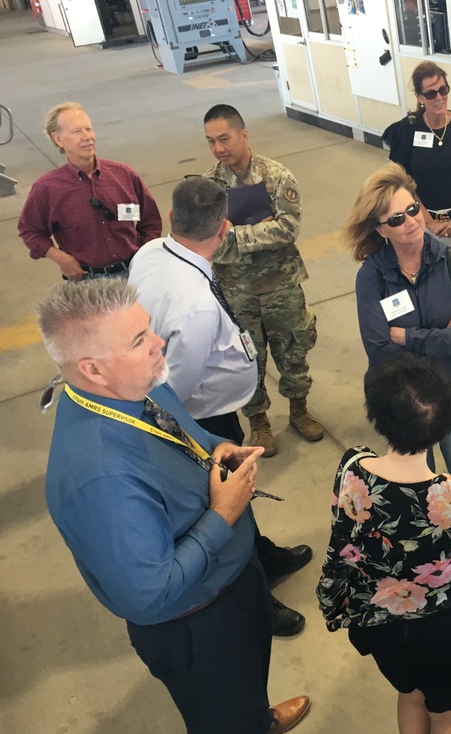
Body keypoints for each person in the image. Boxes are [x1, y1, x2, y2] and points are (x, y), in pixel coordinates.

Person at [38, 279, 311, 734]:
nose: (159, 343)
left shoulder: (137, 386)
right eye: (140, 339)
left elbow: (182, 432)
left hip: (232, 580)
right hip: (198, 623)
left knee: (245, 688)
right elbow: (148, 594)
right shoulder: (100, 479)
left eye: (149, 329)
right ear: (92, 369)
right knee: (219, 725)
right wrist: (224, 515)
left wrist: (214, 447)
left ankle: (255, 721)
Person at [128, 176, 314, 637]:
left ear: (172, 218)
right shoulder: (195, 305)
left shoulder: (150, 253)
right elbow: (182, 382)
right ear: (224, 228)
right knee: (225, 502)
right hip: (200, 419)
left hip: (202, 409)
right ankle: (255, 594)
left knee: (240, 497)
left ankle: (262, 552)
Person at [317, 354, 451, 734]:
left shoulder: (352, 469)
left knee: (411, 695)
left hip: (384, 622)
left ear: (377, 417)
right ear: (445, 424)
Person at [344, 163, 451, 487]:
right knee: (415, 483)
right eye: (396, 219)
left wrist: (408, 337)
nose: (410, 221)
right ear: (381, 230)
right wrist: (445, 334)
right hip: (401, 398)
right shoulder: (371, 277)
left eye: (412, 209)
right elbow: (380, 350)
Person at [203, 103, 322, 456]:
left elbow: (287, 229)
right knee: (246, 359)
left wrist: (235, 235)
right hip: (235, 292)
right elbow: (208, 240)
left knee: (293, 350)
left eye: (224, 138)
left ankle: (299, 411)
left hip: (281, 287)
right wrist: (257, 230)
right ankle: (259, 422)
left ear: (243, 134)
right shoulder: (209, 188)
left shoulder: (277, 176)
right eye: (210, 141)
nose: (218, 148)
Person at [18, 102, 162, 280]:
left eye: (89, 129)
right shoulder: (47, 188)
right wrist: (60, 258)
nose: (88, 137)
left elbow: (151, 221)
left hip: (135, 273)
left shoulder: (124, 175)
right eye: (77, 131)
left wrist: (144, 255)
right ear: (58, 139)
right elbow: (30, 230)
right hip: (88, 280)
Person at [383, 61, 451, 258]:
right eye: (431, 93)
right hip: (419, 223)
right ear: (419, 97)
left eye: (443, 90)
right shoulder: (407, 131)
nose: (439, 98)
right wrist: (428, 221)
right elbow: (402, 183)